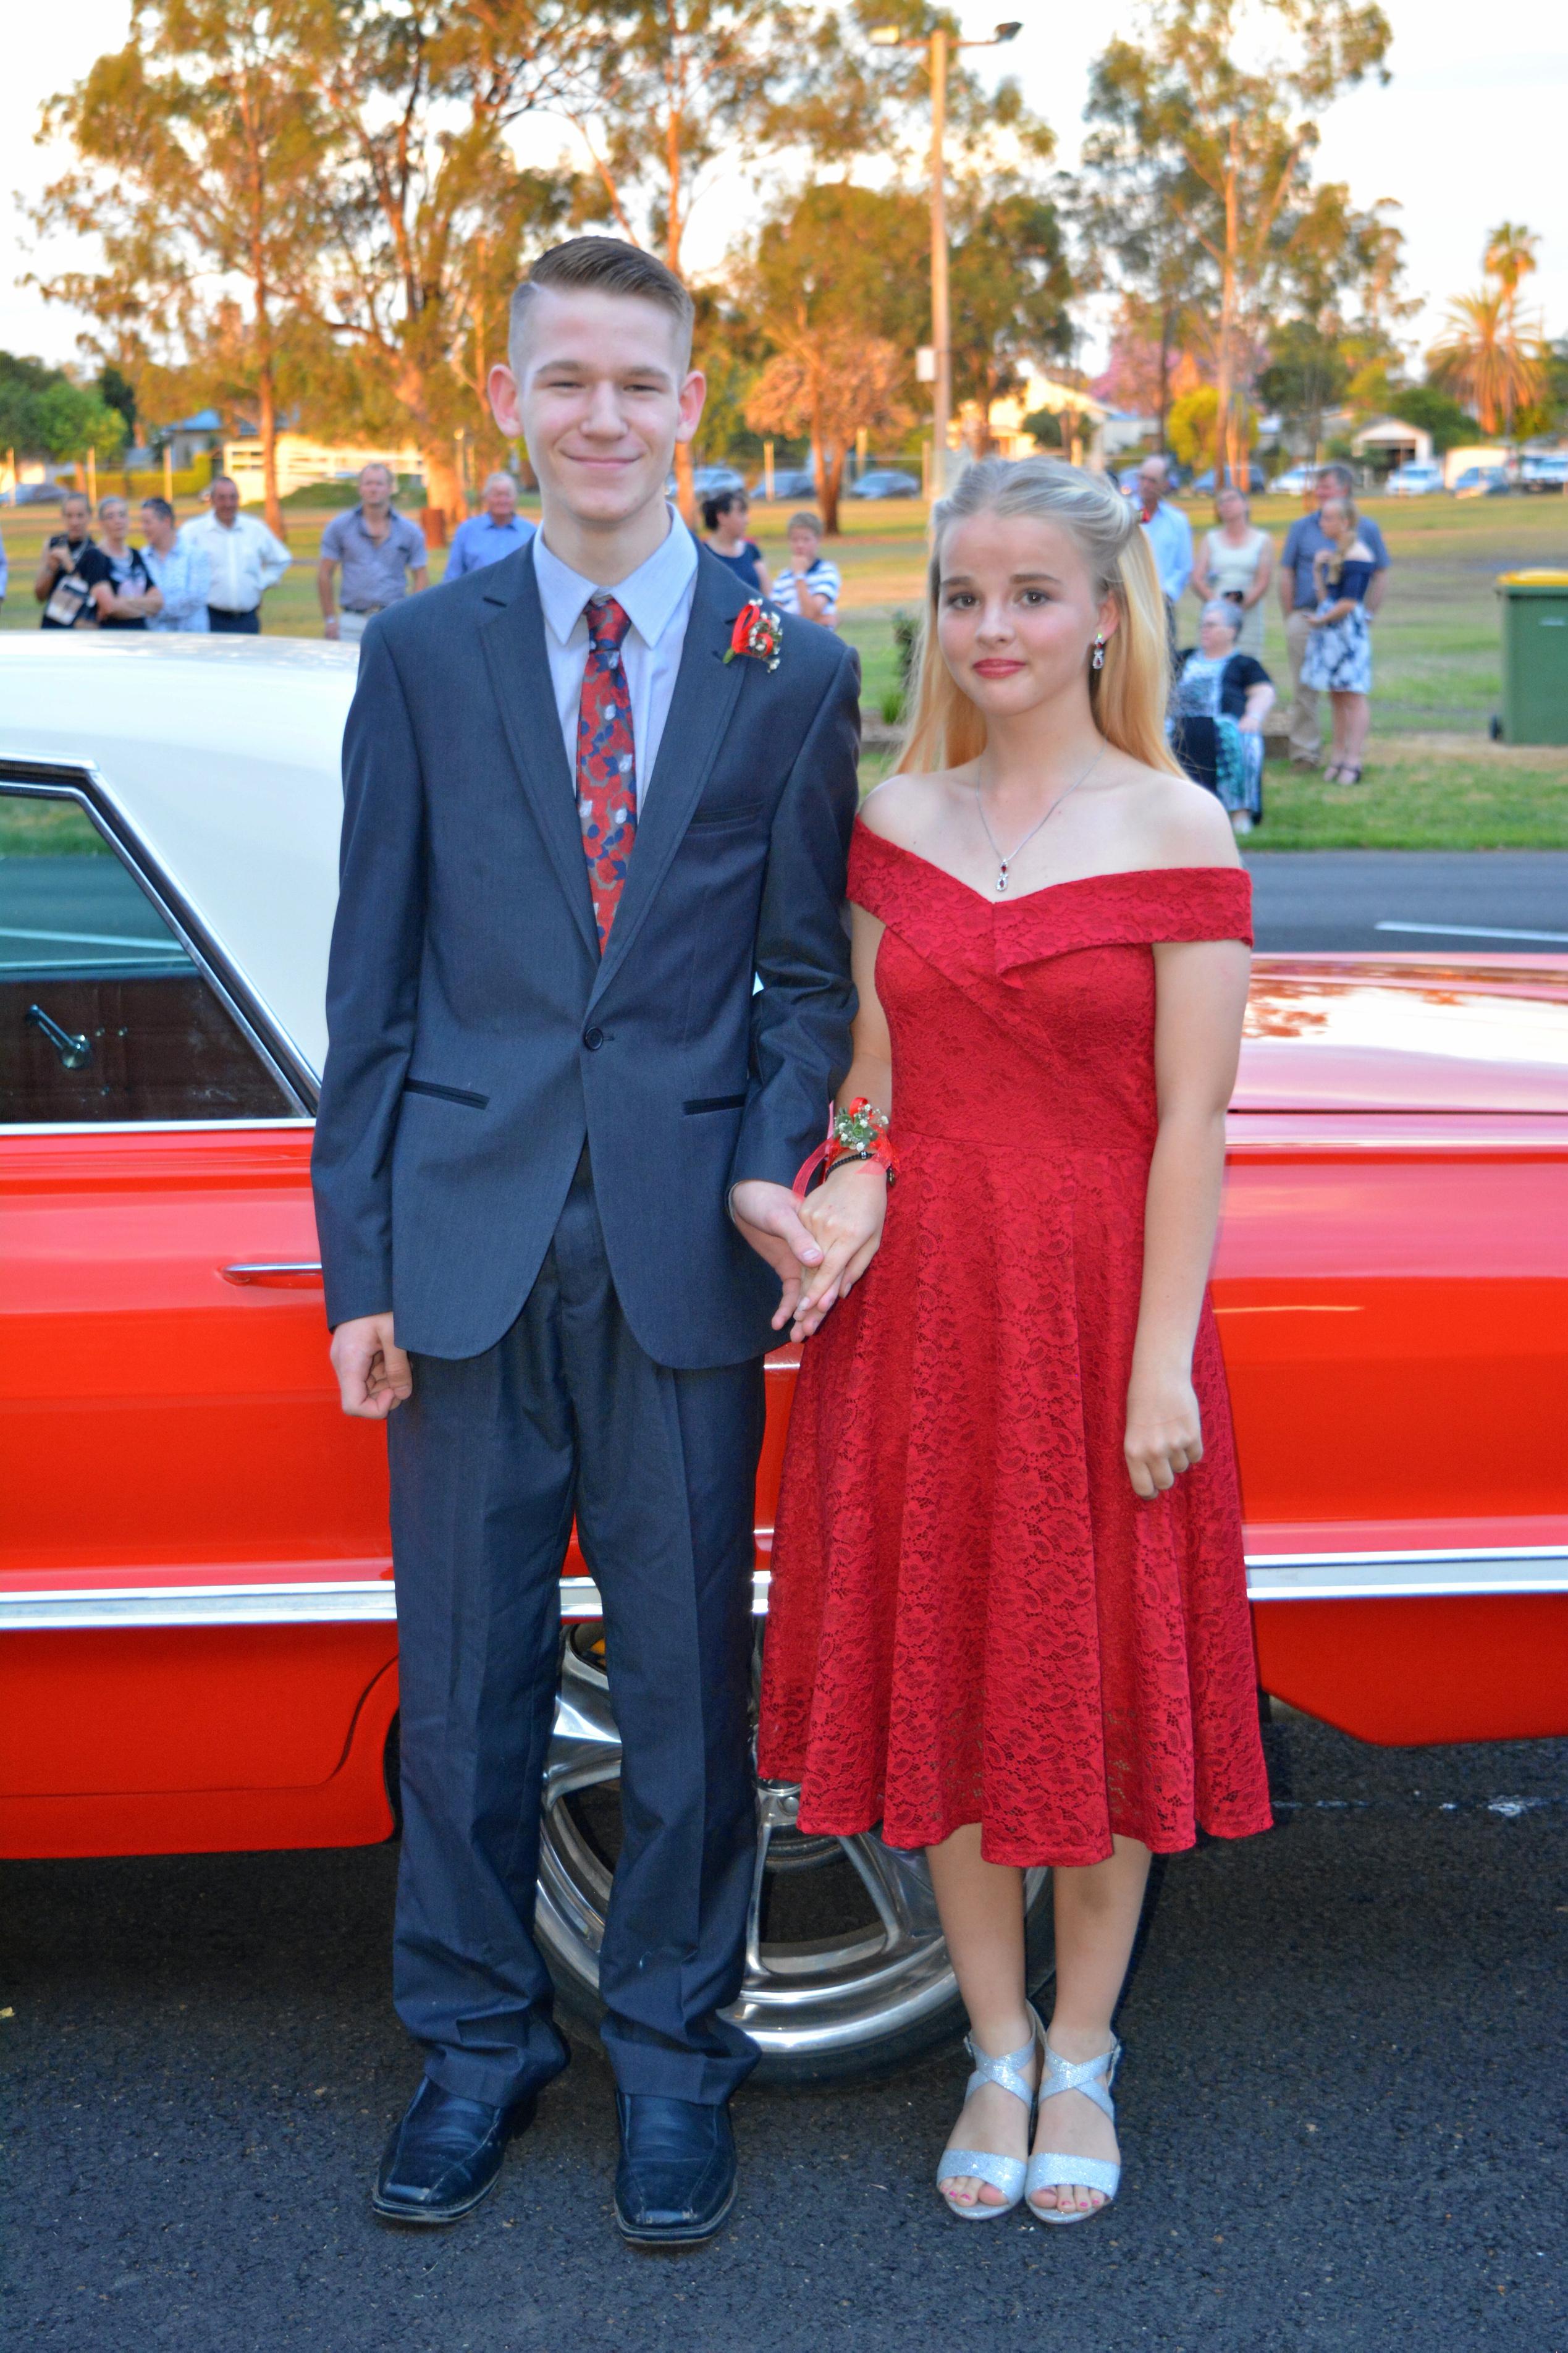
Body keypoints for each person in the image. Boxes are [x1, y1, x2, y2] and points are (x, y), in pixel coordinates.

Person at [310, 235, 859, 2249]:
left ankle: (670, 2055)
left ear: (688, 404)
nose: (603, 418)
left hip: (674, 1253)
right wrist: (357, 1262)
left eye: (638, 383)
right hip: (459, 1249)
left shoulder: (773, 657)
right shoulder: (429, 653)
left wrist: (771, 1150)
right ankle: (471, 2044)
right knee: (461, 1685)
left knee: (689, 1691)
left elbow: (801, 976)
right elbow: (367, 983)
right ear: (510, 400)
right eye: (567, 382)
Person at [757, 455, 1272, 2228]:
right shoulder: (889, 823)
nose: (992, 628)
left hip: (1099, 1319)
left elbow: (1192, 1124)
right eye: (963, 597)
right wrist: (855, 1187)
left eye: (1029, 595)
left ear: (1102, 614)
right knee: (962, 1680)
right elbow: (880, 1100)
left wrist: (1154, 1364)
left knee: (1102, 1694)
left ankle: (1086, 2046)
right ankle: (992, 2041)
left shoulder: (1179, 824)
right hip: (921, 1327)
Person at [1278, 463, 1388, 767]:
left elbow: (1379, 574)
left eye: (1326, 487)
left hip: (1342, 623)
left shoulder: (1365, 531)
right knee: (1305, 687)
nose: (1320, 492)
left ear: (1344, 491)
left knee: (1346, 691)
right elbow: (1286, 572)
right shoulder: (1301, 527)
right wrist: (1292, 614)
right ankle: (1306, 753)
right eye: (1318, 487)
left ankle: (1349, 757)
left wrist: (1368, 615)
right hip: (1308, 615)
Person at [1169, 600, 1275, 834]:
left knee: (1241, 736)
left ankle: (1240, 813)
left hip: (1221, 723)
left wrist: (1254, 716)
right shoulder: (1184, 658)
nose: (1204, 630)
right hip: (1177, 722)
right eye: (1202, 625)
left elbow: (1264, 691)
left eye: (1211, 625)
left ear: (1231, 631)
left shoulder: (1244, 664)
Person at [1300, 496, 1376, 784]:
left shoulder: (1358, 555)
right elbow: (1327, 599)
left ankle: (1353, 761)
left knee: (1353, 696)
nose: (1322, 523)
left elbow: (1349, 603)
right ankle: (1338, 757)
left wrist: (1321, 620)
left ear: (1345, 522)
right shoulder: (1338, 554)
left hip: (1347, 634)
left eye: (1328, 518)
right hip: (1331, 631)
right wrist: (1317, 571)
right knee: (1336, 695)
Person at [318, 463, 430, 640]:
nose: (374, 489)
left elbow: (421, 575)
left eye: (379, 484)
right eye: (368, 483)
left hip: (393, 619)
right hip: (352, 620)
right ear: (360, 488)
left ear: (390, 488)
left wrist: (412, 618)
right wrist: (330, 619)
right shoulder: (340, 527)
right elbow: (325, 573)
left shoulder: (410, 531)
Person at [179, 476, 291, 633]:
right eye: (222, 498)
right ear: (212, 500)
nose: (228, 504)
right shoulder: (193, 531)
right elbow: (177, 565)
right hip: (210, 620)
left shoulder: (255, 529)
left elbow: (281, 559)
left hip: (247, 620)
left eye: (233, 498)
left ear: (239, 500)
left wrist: (262, 583)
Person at [1191, 485, 1273, 657]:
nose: (1226, 505)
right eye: (1221, 502)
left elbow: (1263, 582)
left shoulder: (1262, 540)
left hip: (1248, 613)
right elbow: (1197, 578)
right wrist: (1219, 607)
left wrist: (1239, 607)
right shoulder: (1210, 539)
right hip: (1216, 611)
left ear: (1246, 504)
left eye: (1232, 499)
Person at [34, 492, 113, 630]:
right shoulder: (53, 544)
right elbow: (39, 596)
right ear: (62, 517)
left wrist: (69, 565)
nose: (74, 522)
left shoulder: (96, 551)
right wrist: (51, 569)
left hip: (80, 626)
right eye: (69, 516)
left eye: (80, 516)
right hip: (53, 622)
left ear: (90, 516)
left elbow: (95, 598)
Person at [1134, 455, 1192, 638]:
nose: (1145, 485)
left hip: (1161, 608)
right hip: (1127, 603)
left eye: (1152, 481)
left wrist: (1166, 594)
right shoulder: (1124, 514)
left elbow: (1184, 566)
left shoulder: (1177, 521)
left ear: (1165, 485)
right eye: (1142, 478)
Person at [445, 470, 535, 578]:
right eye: (497, 495)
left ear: (516, 498)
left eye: (508, 495)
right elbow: (453, 575)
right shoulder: (467, 530)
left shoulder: (531, 532)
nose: (502, 500)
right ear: (486, 497)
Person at [139, 497, 211, 632]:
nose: (144, 528)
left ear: (166, 521)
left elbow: (195, 599)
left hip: (192, 644)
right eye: (142, 523)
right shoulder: (141, 559)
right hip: (154, 645)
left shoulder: (195, 556)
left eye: (148, 523)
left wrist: (152, 607)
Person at [91, 496, 162, 630]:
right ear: (101, 523)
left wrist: (124, 602)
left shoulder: (136, 555)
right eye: (110, 516)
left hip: (141, 635)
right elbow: (110, 607)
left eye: (122, 515)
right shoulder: (95, 557)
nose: (118, 521)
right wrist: (145, 606)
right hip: (113, 637)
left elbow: (158, 602)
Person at [770, 512, 839, 627]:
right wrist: (821, 620)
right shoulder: (783, 578)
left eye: (806, 539)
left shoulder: (827, 572)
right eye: (795, 540)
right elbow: (776, 620)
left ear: (818, 540)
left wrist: (799, 576)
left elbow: (810, 613)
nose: (800, 545)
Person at [701, 488, 770, 596]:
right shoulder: (702, 555)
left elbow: (768, 596)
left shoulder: (752, 551)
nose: (747, 521)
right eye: (741, 514)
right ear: (722, 517)